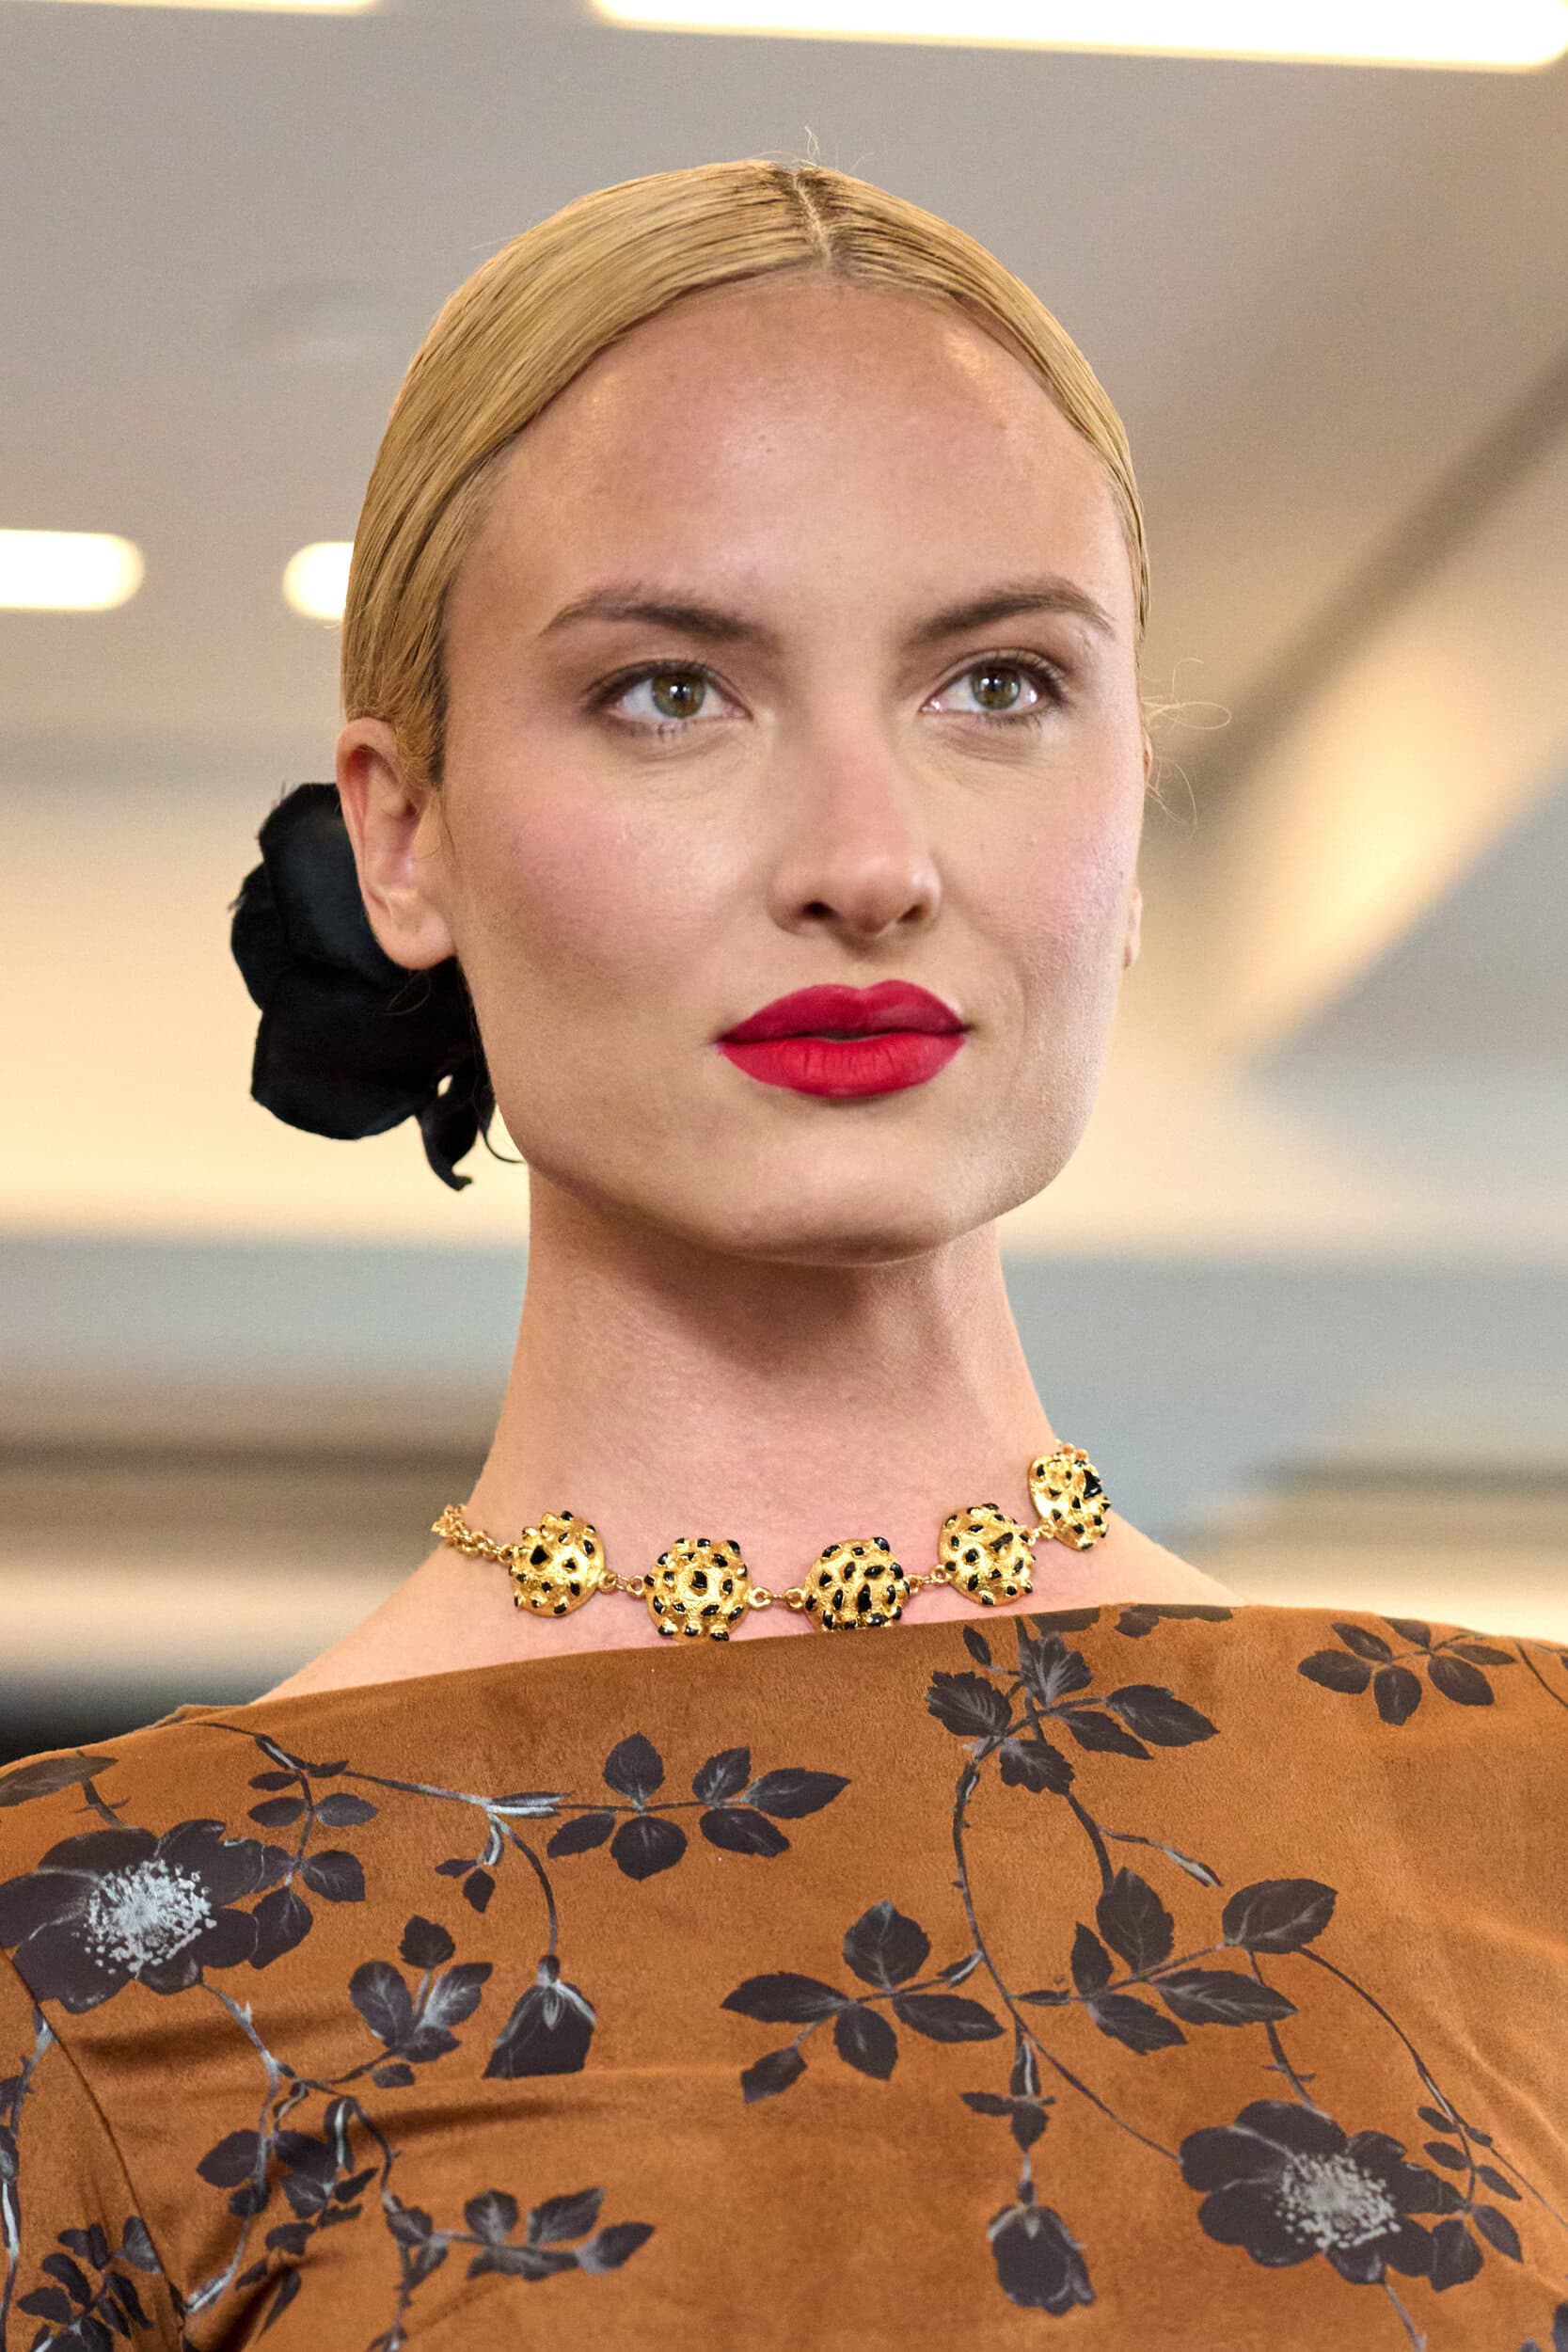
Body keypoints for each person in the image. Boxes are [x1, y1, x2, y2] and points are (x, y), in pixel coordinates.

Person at [1, 159, 1563, 2352]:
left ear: (1134, 803)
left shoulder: (1529, 1824)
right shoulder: (95, 1965)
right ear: (402, 829)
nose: (867, 855)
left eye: (999, 682)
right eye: (671, 691)